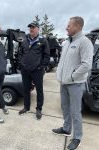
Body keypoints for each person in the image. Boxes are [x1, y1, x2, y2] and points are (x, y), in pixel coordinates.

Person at [52, 16, 93, 150]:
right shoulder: (67, 43)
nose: (66, 28)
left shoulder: (84, 42)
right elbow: (63, 62)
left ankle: (77, 137)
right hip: (63, 82)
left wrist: (72, 76)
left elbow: (87, 65)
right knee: (65, 107)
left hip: (75, 83)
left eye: (69, 26)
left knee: (75, 111)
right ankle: (66, 128)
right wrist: (60, 74)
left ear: (77, 27)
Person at [18, 21, 50, 119]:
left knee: (39, 90)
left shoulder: (43, 40)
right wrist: (22, 64)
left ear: (38, 29)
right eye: (30, 27)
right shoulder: (25, 40)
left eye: (33, 27)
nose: (31, 29)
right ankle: (26, 107)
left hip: (37, 71)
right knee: (26, 89)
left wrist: (41, 67)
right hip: (25, 70)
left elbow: (46, 55)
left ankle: (39, 109)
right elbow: (20, 53)